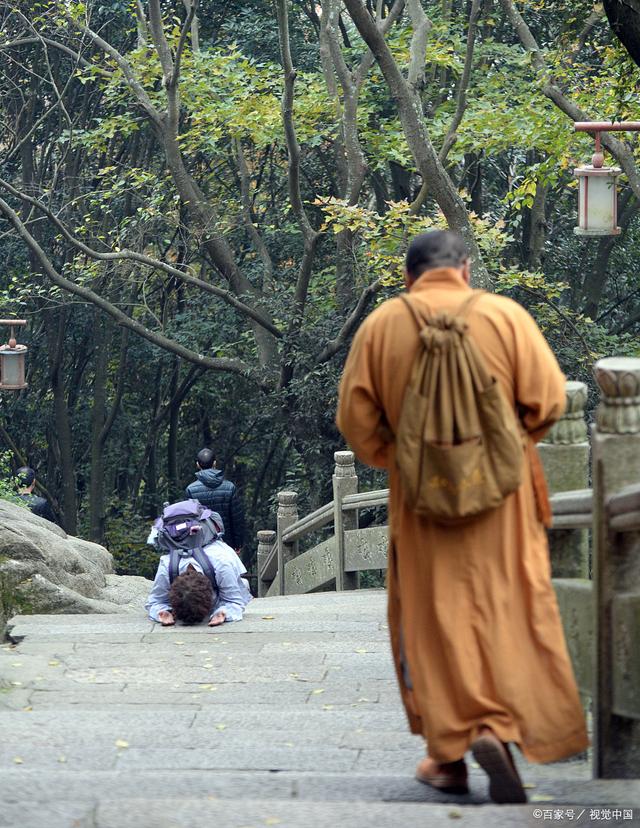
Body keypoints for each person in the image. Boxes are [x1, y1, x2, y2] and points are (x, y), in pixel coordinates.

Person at [336, 230, 588, 804]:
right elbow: (549, 401)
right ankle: (500, 725)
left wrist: (408, 464)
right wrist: (503, 452)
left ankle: (448, 757)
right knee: (508, 608)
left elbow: (356, 421)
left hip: (421, 506)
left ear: (409, 277)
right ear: (466, 270)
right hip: (505, 502)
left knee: (431, 619)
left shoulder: (382, 326)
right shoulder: (505, 316)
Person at [145, 528, 252, 626]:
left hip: (221, 560)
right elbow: (155, 601)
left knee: (242, 586)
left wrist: (223, 613)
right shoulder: (166, 567)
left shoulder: (222, 565)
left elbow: (235, 601)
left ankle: (240, 583)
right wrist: (162, 612)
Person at [185, 448, 245, 555]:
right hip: (227, 543)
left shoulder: (191, 489)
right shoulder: (230, 487)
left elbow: (190, 520)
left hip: (202, 543)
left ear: (198, 465)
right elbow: (236, 518)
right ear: (214, 463)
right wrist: (238, 544)